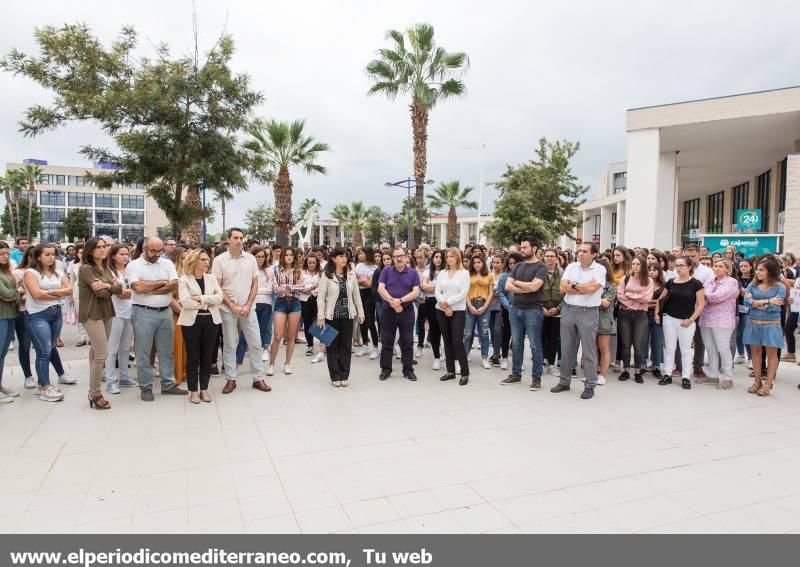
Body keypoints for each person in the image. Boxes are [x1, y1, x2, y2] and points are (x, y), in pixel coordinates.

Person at [127, 236, 188, 401]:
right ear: (144, 249)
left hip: (165, 312)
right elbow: (137, 288)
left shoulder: (167, 263)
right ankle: (146, 387)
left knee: (167, 352)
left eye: (159, 250)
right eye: (153, 250)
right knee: (144, 353)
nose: (156, 254)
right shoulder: (133, 265)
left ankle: (168, 384)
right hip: (143, 313)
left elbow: (174, 284)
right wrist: (162, 283)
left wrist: (150, 287)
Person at [212, 228, 270, 392]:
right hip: (227, 308)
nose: (239, 241)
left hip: (248, 308)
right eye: (235, 238)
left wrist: (248, 305)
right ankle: (231, 379)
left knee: (256, 343)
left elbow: (255, 284)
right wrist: (233, 306)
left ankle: (258, 378)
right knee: (230, 344)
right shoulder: (219, 260)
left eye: (241, 238)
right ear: (228, 239)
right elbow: (218, 286)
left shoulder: (251, 259)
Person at [552, 243, 605, 400]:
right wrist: (581, 287)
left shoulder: (599, 269)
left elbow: (592, 290)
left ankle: (589, 385)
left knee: (588, 351)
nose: (580, 253)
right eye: (579, 251)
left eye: (584, 251)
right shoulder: (571, 267)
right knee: (566, 348)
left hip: (588, 312)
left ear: (594, 254)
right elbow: (562, 288)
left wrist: (573, 285)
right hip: (569, 310)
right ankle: (564, 381)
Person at [23, 244, 73, 402]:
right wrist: (58, 294)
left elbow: (70, 289)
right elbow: (37, 294)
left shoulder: (58, 272)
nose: (51, 257)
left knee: (50, 348)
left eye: (53, 254)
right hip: (38, 315)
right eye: (47, 254)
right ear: (38, 256)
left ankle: (42, 383)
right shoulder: (30, 273)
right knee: (44, 351)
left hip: (56, 313)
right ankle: (45, 387)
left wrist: (50, 293)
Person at [79, 237, 124, 409]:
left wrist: (106, 285)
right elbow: (102, 294)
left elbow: (119, 289)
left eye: (104, 246)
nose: (102, 250)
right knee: (101, 354)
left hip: (106, 313)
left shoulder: (106, 268)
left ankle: (93, 387)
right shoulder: (86, 269)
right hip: (92, 314)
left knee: (95, 352)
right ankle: (95, 393)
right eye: (98, 247)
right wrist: (110, 287)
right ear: (90, 251)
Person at [178, 248, 224, 404]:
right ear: (194, 261)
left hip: (211, 322)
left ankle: (204, 389)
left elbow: (219, 298)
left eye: (207, 259)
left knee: (207, 356)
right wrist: (206, 303)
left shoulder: (211, 278)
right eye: (203, 260)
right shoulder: (184, 279)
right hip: (192, 322)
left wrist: (201, 298)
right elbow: (185, 302)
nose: (207, 262)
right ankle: (193, 391)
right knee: (193, 357)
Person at [654, 256, 705, 390]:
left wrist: (691, 319)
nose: (679, 268)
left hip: (686, 321)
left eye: (682, 265)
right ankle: (667, 374)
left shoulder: (696, 284)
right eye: (677, 265)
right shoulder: (670, 282)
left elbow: (700, 305)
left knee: (686, 350)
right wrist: (657, 313)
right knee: (669, 348)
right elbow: (661, 298)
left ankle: (686, 377)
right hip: (669, 319)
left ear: (689, 267)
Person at [503, 237, 548, 389]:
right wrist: (525, 287)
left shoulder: (541, 267)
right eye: (521, 247)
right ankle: (516, 374)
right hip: (515, 309)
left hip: (533, 310)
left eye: (525, 247)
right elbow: (508, 286)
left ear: (534, 248)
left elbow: (534, 287)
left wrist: (518, 283)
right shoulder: (518, 266)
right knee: (516, 343)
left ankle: (536, 378)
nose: (522, 250)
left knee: (535, 345)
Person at [316, 247, 365, 386]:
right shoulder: (327, 275)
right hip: (331, 316)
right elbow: (320, 297)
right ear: (333, 259)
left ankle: (344, 374)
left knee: (346, 345)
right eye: (341, 256)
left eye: (346, 256)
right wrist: (321, 316)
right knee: (332, 346)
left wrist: (360, 313)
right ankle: (335, 376)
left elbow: (356, 295)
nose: (344, 259)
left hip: (348, 315)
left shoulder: (351, 274)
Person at [377, 247, 421, 381]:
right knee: (387, 341)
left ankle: (408, 370)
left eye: (401, 255)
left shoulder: (413, 273)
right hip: (388, 311)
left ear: (406, 257)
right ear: (393, 258)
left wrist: (400, 301)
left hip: (406, 311)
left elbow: (415, 292)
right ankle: (386, 369)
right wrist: (392, 302)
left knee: (407, 341)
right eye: (396, 256)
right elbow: (380, 288)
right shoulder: (386, 271)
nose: (399, 258)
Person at [743, 256, 785, 396]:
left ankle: (768, 383)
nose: (757, 272)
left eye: (761, 270)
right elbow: (747, 302)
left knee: (771, 354)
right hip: (753, 323)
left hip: (772, 324)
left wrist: (756, 303)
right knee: (755, 352)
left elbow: (774, 307)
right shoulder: (752, 285)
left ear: (770, 271)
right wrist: (767, 301)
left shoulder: (780, 287)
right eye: (757, 269)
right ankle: (757, 381)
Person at [698, 258, 739, 389]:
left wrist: (705, 295)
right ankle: (712, 375)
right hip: (706, 318)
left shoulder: (732, 282)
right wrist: (705, 295)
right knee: (710, 347)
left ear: (727, 269)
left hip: (723, 320)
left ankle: (728, 377)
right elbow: (701, 295)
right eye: (715, 265)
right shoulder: (710, 281)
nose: (717, 268)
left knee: (723, 348)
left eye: (721, 266)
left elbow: (718, 297)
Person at [434, 247, 471, 385]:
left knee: (457, 340)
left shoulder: (464, 273)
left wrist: (448, 303)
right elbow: (437, 290)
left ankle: (464, 372)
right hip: (441, 309)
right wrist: (443, 305)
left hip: (458, 310)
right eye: (447, 256)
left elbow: (463, 292)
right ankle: (450, 371)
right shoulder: (442, 273)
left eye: (452, 256)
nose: (449, 258)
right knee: (447, 340)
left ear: (457, 258)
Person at [616, 255, 654, 384]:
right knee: (626, 344)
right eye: (634, 264)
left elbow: (647, 298)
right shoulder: (625, 279)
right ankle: (626, 370)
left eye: (638, 264)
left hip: (640, 316)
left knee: (638, 345)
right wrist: (636, 300)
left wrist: (630, 295)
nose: (635, 266)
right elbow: (620, 296)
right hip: (624, 315)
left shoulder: (649, 280)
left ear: (643, 266)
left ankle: (638, 371)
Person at [104, 244, 136, 394]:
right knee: (112, 349)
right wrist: (136, 291)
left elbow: (134, 290)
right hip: (115, 313)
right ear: (113, 256)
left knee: (125, 347)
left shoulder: (130, 270)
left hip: (130, 312)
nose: (125, 256)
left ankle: (124, 377)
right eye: (121, 254)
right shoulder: (109, 272)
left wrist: (133, 291)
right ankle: (110, 380)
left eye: (127, 254)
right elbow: (119, 293)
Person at [267, 246, 304, 376]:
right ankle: (271, 364)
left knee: (291, 336)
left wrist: (288, 287)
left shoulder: (298, 270)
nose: (289, 257)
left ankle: (287, 364)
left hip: (295, 303)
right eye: (286, 254)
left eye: (291, 255)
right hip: (281, 303)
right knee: (277, 335)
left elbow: (301, 287)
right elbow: (276, 288)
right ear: (282, 256)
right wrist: (291, 287)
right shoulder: (276, 270)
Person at [463, 254, 494, 369]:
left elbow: (491, 293)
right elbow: (464, 291)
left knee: (484, 333)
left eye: (479, 262)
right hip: (470, 304)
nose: (477, 264)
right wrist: (469, 305)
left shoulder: (489, 275)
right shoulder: (467, 274)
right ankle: (464, 356)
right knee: (467, 333)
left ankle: (485, 358)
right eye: (475, 262)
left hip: (484, 305)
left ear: (483, 263)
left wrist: (485, 307)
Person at [0, 243, 20, 403]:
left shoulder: (6, 271)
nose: (5, 256)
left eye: (6, 253)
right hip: (1, 315)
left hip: (10, 313)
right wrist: (17, 293)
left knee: (3, 353)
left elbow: (11, 293)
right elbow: (6, 293)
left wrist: (14, 294)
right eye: (1, 254)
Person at [495, 253, 521, 372]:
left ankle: (518, 360)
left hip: (522, 309)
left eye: (514, 263)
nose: (512, 265)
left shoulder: (524, 276)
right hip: (507, 310)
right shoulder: (504, 276)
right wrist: (508, 306)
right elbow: (500, 292)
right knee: (506, 335)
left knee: (518, 337)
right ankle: (504, 357)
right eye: (510, 263)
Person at [641, 262, 666, 379]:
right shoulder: (643, 283)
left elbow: (663, 302)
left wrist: (650, 302)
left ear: (659, 271)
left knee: (657, 342)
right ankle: (642, 365)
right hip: (644, 314)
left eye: (654, 270)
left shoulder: (664, 285)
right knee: (643, 341)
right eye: (649, 269)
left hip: (658, 316)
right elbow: (641, 300)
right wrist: (655, 302)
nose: (651, 271)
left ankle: (656, 366)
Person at [541, 249, 564, 375]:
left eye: (552, 256)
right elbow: (535, 291)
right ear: (544, 258)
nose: (549, 258)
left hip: (557, 311)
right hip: (542, 311)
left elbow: (566, 294)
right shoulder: (539, 272)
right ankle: (541, 361)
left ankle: (551, 364)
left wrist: (558, 308)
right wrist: (541, 308)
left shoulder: (562, 273)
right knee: (541, 337)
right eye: (547, 256)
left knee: (554, 339)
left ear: (556, 258)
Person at [594, 257, 617, 386]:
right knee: (592, 348)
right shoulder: (591, 283)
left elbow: (605, 303)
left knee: (603, 348)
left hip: (604, 320)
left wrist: (590, 295)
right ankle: (592, 373)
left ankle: (602, 375)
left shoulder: (611, 286)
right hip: (590, 319)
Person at [421, 250, 444, 370]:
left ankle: (445, 353)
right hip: (430, 302)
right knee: (434, 330)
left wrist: (433, 288)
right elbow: (424, 287)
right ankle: (436, 357)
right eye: (436, 257)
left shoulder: (447, 272)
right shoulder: (427, 271)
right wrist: (440, 287)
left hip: (445, 302)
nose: (438, 259)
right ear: (432, 258)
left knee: (445, 329)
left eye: (441, 257)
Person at [354, 247, 379, 359]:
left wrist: (361, 281)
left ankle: (375, 347)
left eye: (362, 253)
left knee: (370, 321)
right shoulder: (358, 266)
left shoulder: (374, 268)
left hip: (370, 294)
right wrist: (363, 280)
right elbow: (354, 280)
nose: (359, 255)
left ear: (368, 254)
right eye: (359, 253)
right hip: (360, 294)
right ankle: (365, 345)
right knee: (361, 319)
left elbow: (370, 284)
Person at [299, 254, 322, 359]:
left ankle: (323, 345)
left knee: (318, 322)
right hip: (305, 301)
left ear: (316, 263)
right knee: (307, 323)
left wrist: (313, 291)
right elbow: (301, 288)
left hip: (318, 300)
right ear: (306, 263)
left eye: (313, 262)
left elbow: (322, 286)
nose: (311, 264)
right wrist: (313, 287)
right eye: (309, 263)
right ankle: (310, 345)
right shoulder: (302, 273)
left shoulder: (321, 273)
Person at [487, 254, 505, 368]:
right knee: (492, 330)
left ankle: (496, 354)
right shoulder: (489, 275)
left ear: (503, 263)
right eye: (494, 262)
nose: (496, 264)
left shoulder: (505, 276)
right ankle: (495, 352)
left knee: (498, 330)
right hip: (489, 305)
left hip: (500, 306)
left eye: (498, 262)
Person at [735, 258, 753, 366]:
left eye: (745, 266)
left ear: (751, 267)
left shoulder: (755, 279)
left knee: (746, 332)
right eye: (741, 266)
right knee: (738, 332)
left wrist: (747, 293)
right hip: (738, 308)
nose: (743, 268)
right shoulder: (737, 279)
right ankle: (740, 354)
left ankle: (750, 358)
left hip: (749, 309)